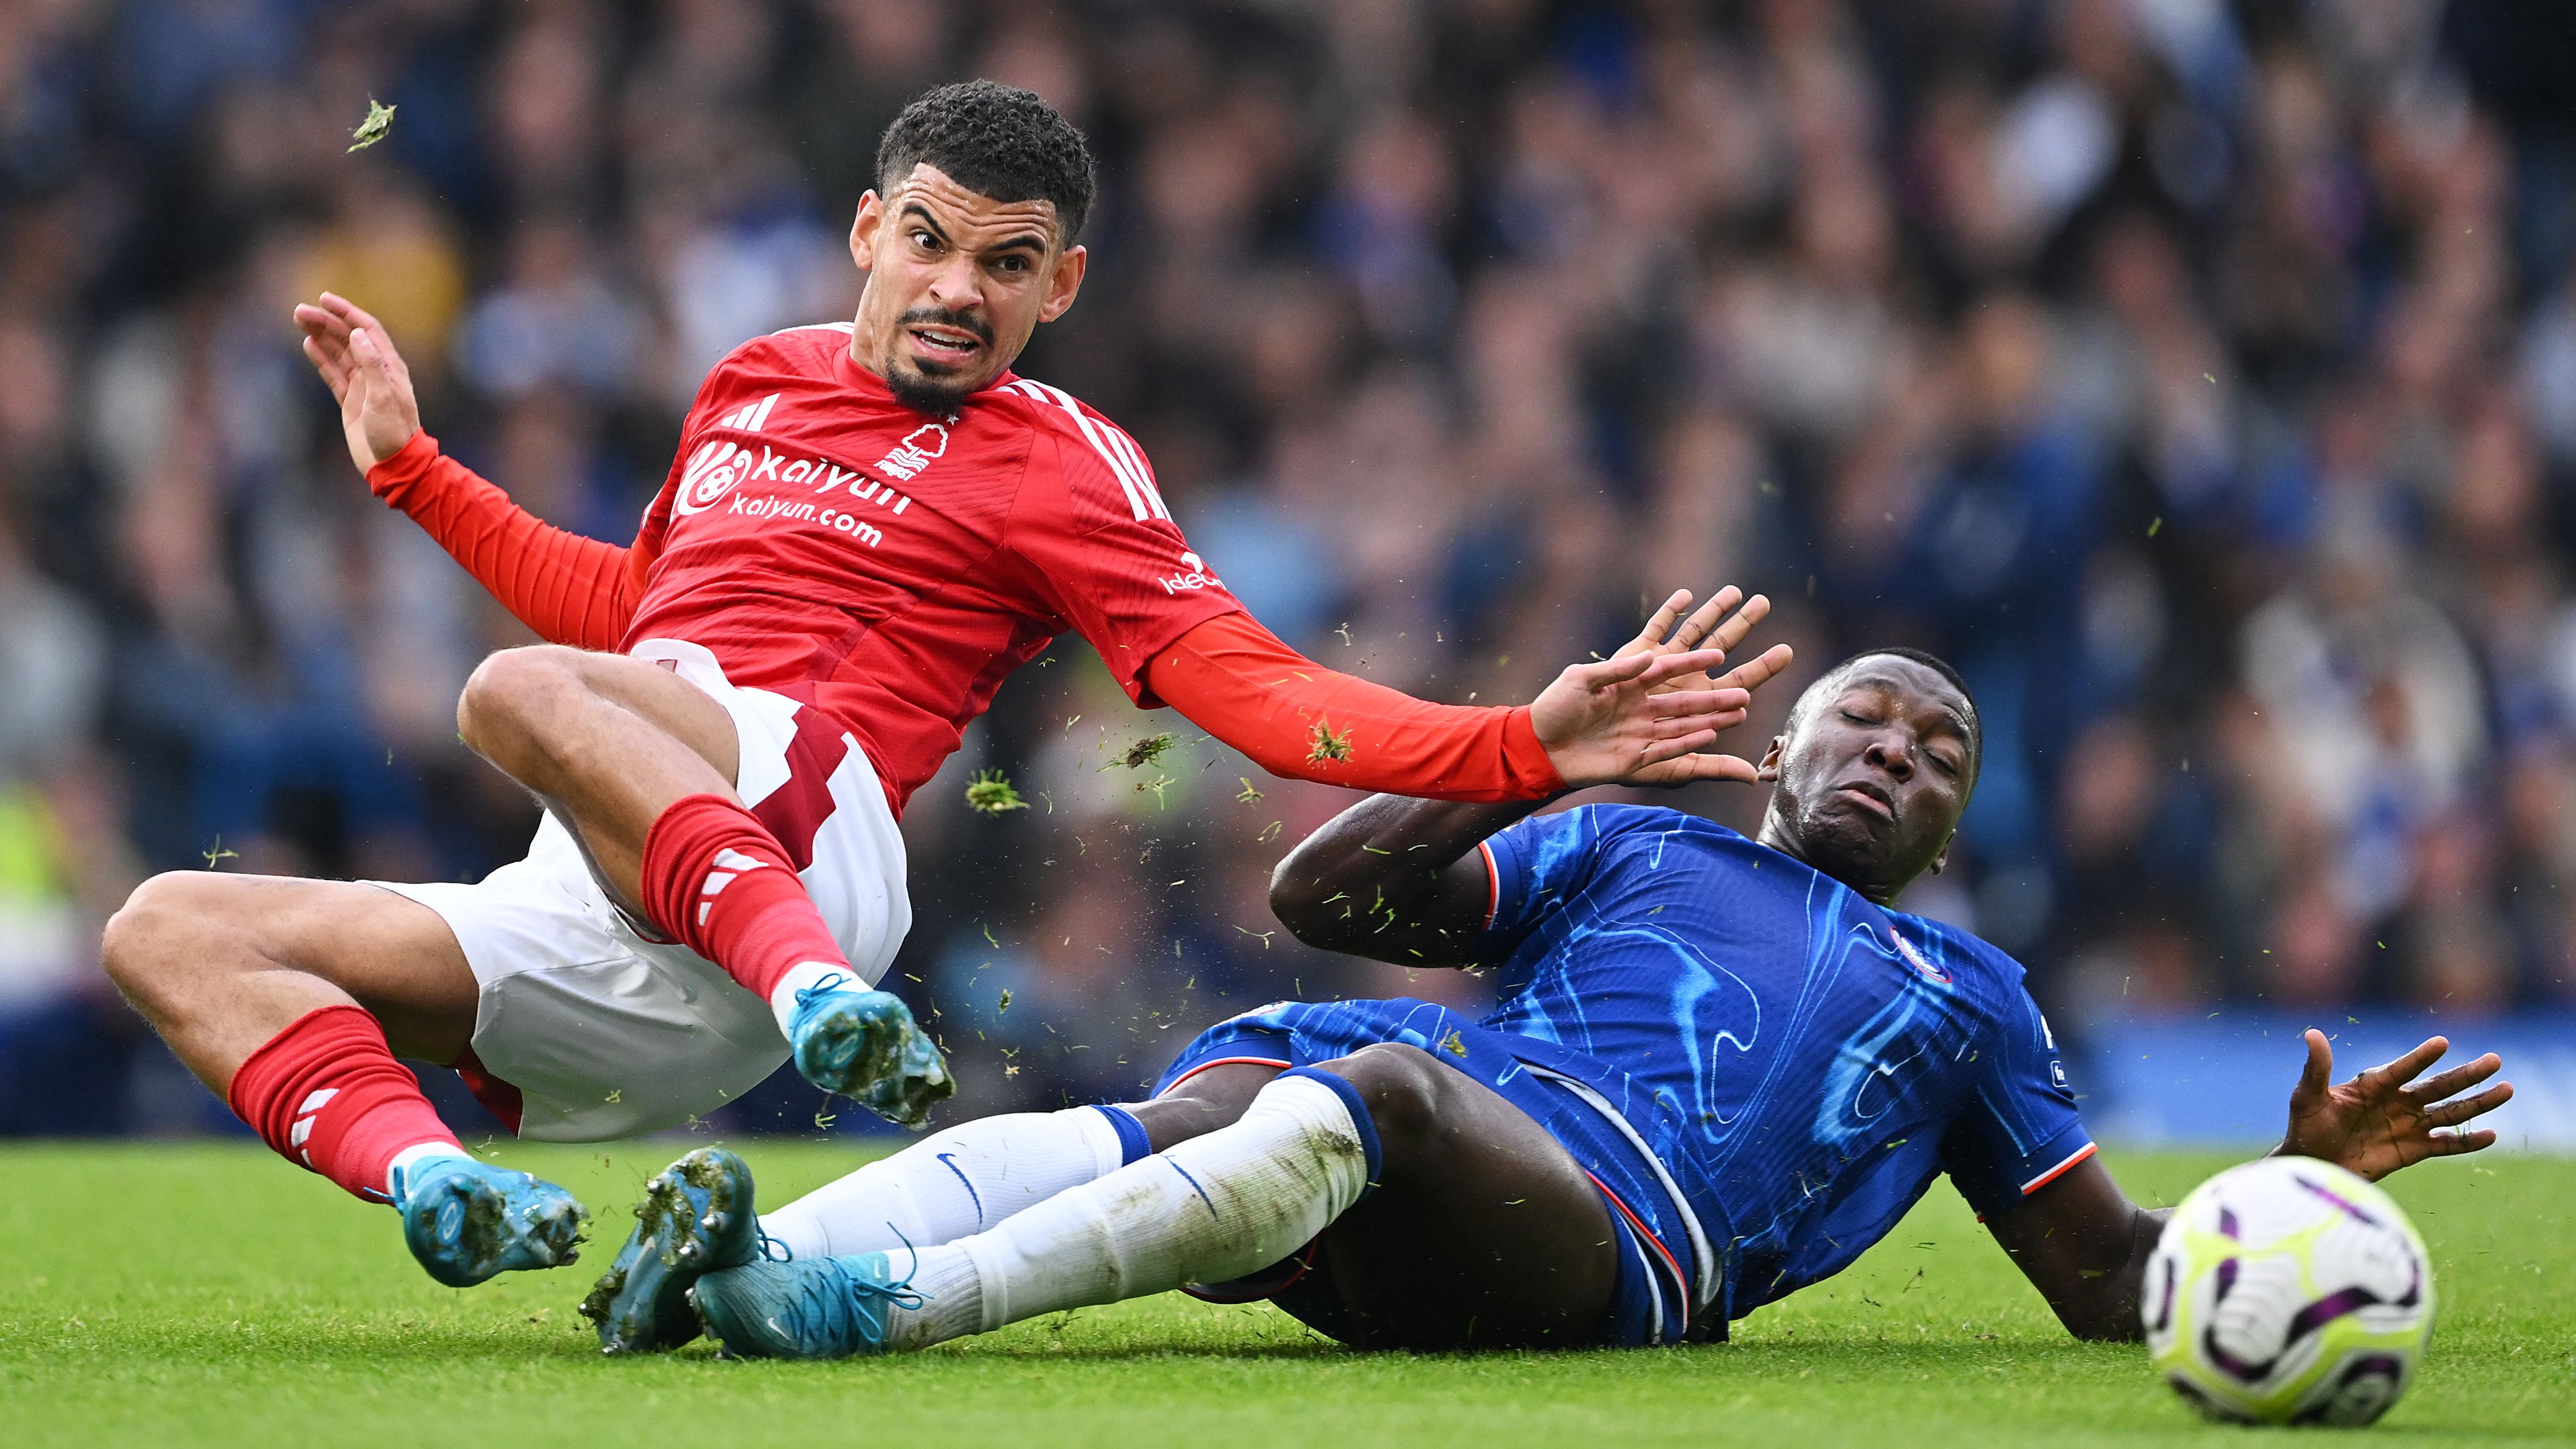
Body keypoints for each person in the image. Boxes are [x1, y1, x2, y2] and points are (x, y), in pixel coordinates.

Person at [95, 83, 1758, 1296]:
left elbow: (1241, 687)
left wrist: (1521, 743)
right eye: (933, 242)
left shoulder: (1069, 460)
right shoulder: (752, 381)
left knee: (513, 693)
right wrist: (413, 472)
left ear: (1063, 286)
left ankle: (820, 999)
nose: (962, 286)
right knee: (166, 924)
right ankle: (446, 1186)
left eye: (1010, 260)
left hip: (809, 850)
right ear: (869, 233)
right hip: (634, 903)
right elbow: (643, 610)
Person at [607, 615, 2509, 1360]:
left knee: (1373, 1101)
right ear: (1774, 749)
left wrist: (2297, 1186)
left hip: (1609, 1236)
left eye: (1938, 756)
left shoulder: (1968, 990)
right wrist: (1517, 751)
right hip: (1398, 1117)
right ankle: (713, 1275)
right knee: (1185, 1107)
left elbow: (2107, 1282)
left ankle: (877, 1310)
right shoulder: (1633, 842)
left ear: (1950, 830)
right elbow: (1318, 882)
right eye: (1866, 722)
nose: (1900, 756)